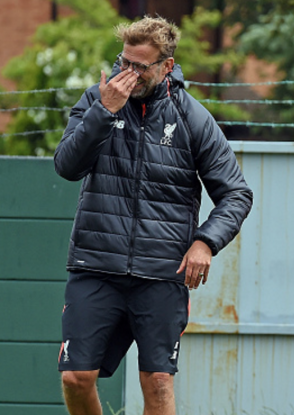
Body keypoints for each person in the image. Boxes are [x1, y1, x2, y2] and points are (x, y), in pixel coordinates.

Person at [54, 16, 253, 415]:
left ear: (166, 66)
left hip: (162, 274)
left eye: (140, 67)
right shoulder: (97, 100)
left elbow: (236, 193)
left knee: (158, 384)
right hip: (96, 266)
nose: (129, 73)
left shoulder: (192, 117)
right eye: (124, 62)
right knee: (76, 379)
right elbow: (67, 166)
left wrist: (205, 240)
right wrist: (105, 111)